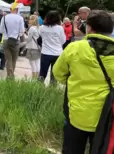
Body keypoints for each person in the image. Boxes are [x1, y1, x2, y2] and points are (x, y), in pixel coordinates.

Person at [53, 10, 114, 153]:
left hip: (76, 113)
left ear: (90, 28)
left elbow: (58, 74)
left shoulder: (75, 47)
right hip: (106, 117)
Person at [38, 11, 66, 84]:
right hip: (57, 53)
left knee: (42, 73)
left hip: (45, 52)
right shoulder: (60, 28)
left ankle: (38, 87)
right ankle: (52, 88)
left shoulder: (42, 27)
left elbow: (40, 37)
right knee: (54, 74)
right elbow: (63, 41)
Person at [0, 6, 25, 78]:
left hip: (6, 39)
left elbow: (0, 31)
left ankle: (9, 75)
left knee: (8, 59)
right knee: (14, 59)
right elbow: (22, 31)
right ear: (17, 9)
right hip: (16, 40)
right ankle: (11, 75)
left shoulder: (4, 18)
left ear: (10, 9)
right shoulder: (20, 18)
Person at [25, 15, 41, 79]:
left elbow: (29, 39)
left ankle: (33, 77)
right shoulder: (39, 27)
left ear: (32, 20)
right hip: (38, 47)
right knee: (37, 63)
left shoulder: (32, 28)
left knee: (32, 63)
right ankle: (37, 77)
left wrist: (24, 35)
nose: (29, 20)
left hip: (32, 47)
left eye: (30, 19)